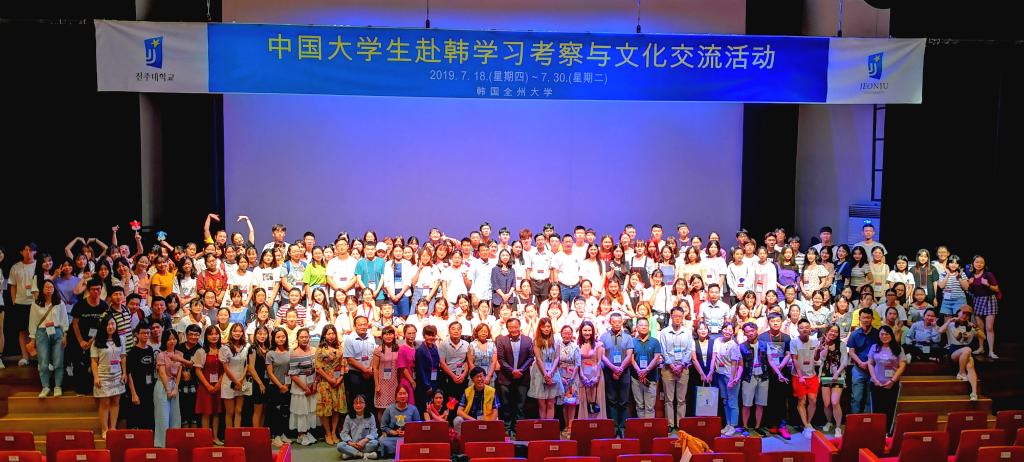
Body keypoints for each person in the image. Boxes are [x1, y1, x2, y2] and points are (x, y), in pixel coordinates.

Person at [29, 279, 69, 397]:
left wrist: (65, 335)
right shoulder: (36, 304)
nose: (49, 289)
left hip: (57, 332)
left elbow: (64, 320)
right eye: (46, 287)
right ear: (42, 289)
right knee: (43, 362)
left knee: (58, 361)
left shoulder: (59, 303)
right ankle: (45, 387)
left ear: (54, 289)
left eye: (51, 287)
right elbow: (32, 322)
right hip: (42, 332)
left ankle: (58, 386)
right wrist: (32, 339)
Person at [496, 318, 534, 437]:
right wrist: (512, 371)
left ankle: (519, 429)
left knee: (520, 405)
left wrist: (520, 370)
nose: (513, 329)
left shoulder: (528, 340)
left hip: (522, 377)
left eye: (515, 327)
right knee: (506, 405)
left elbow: (531, 357)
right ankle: (507, 429)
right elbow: (500, 358)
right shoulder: (501, 340)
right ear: (507, 328)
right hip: (506, 378)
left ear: (520, 326)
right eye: (511, 327)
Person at [91, 314, 126, 439]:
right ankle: (104, 429)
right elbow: (94, 361)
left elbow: (123, 357)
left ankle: (113, 427)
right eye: (108, 324)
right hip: (103, 374)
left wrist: (124, 373)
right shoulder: (97, 341)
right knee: (105, 403)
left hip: (117, 374)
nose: (111, 327)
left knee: (115, 401)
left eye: (113, 324)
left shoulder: (120, 339)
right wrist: (96, 377)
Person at [759, 312, 793, 440]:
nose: (775, 323)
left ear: (781, 322)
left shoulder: (786, 338)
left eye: (778, 321)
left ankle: (782, 425)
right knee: (770, 398)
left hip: (782, 371)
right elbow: (764, 356)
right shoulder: (762, 337)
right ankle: (772, 424)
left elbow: (788, 354)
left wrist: (780, 367)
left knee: (782, 399)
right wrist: (774, 368)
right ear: (768, 322)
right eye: (772, 321)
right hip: (768, 372)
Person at [600, 312, 633, 437]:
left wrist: (620, 369)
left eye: (619, 321)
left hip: (624, 372)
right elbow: (602, 356)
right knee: (611, 401)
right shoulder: (604, 337)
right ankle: (613, 427)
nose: (617, 324)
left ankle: (622, 427)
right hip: (609, 372)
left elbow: (629, 355)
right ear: (610, 322)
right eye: (614, 321)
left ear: (622, 322)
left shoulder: (628, 337)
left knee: (623, 401)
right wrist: (613, 368)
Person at [867, 325, 906, 431]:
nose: (884, 336)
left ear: (891, 335)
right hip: (876, 383)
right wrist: (875, 379)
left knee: (890, 408)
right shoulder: (874, 347)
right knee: (876, 408)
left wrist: (892, 381)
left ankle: (888, 432)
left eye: (887, 334)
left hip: (892, 384)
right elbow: (870, 363)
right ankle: (876, 431)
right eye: (882, 334)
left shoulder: (898, 348)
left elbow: (902, 365)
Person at [316, 324, 347, 445]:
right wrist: (330, 379)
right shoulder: (320, 349)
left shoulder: (340, 348)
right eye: (328, 334)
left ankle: (334, 432)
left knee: (336, 409)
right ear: (324, 335)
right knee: (325, 409)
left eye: (333, 333)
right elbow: (318, 368)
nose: (331, 336)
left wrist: (340, 378)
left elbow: (343, 364)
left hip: (338, 382)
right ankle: (327, 433)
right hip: (325, 382)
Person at [736, 322, 768, 437]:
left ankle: (758, 426)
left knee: (760, 403)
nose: (750, 333)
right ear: (744, 333)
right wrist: (737, 377)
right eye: (747, 331)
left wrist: (779, 373)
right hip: (748, 377)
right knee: (746, 404)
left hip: (763, 377)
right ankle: (745, 426)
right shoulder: (741, 346)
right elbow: (740, 365)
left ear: (756, 331)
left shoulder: (764, 344)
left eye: (752, 330)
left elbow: (770, 361)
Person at [942, 305, 981, 401]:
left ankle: (974, 393)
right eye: (963, 313)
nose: (965, 316)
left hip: (966, 353)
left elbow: (983, 337)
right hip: (954, 352)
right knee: (967, 349)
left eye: (967, 314)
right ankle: (961, 372)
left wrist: (976, 328)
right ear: (958, 313)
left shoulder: (970, 326)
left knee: (970, 365)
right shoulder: (951, 324)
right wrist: (949, 321)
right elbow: (940, 330)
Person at [288, 328, 319, 446]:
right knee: (301, 410)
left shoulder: (314, 350)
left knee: (310, 409)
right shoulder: (294, 353)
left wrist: (315, 384)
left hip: (312, 381)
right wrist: (305, 388)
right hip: (300, 384)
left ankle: (307, 432)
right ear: (297, 338)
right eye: (302, 337)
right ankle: (301, 434)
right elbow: (293, 374)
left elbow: (318, 368)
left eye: (306, 337)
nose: (304, 339)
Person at [790, 319, 819, 439]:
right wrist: (800, 376)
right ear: (798, 330)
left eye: (807, 327)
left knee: (813, 400)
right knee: (802, 401)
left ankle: (808, 423)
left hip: (812, 375)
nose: (805, 329)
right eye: (802, 327)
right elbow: (794, 359)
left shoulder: (815, 340)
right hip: (798, 376)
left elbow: (816, 358)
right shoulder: (794, 342)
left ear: (810, 329)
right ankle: (806, 426)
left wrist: (819, 350)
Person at [529, 317, 563, 419]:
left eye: (548, 326)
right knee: (542, 404)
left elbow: (557, 357)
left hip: (553, 371)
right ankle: (544, 426)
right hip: (540, 372)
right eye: (544, 327)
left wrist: (551, 372)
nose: (546, 329)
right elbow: (538, 359)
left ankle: (550, 426)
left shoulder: (556, 339)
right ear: (540, 328)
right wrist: (545, 374)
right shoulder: (536, 340)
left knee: (551, 402)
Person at [817, 324, 847, 438]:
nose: (833, 333)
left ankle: (838, 427)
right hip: (825, 375)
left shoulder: (842, 344)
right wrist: (826, 345)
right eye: (831, 331)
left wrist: (837, 373)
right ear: (827, 332)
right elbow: (822, 358)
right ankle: (829, 422)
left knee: (835, 402)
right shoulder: (822, 343)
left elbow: (844, 361)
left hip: (838, 376)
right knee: (826, 403)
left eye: (835, 331)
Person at [154, 329, 183, 447]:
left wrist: (175, 388)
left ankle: (174, 444)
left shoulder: (180, 354)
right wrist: (168, 389)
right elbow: (162, 373)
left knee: (175, 417)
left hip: (174, 386)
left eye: (174, 339)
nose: (172, 341)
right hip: (162, 386)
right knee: (162, 417)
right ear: (165, 341)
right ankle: (161, 445)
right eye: (169, 339)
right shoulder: (161, 355)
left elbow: (179, 372)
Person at [967, 255, 1000, 358]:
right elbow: (971, 291)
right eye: (977, 262)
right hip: (977, 300)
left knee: (989, 327)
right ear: (973, 263)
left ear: (984, 264)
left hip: (989, 300)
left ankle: (991, 351)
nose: (979, 264)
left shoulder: (988, 274)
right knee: (979, 327)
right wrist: (969, 284)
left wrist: (988, 285)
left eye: (981, 262)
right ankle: (981, 348)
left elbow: (997, 289)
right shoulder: (971, 275)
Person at [847, 308, 879, 414]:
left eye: (868, 317)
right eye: (863, 317)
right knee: (856, 397)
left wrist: (868, 363)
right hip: (858, 368)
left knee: (870, 398)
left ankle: (868, 420)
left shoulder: (878, 334)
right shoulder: (854, 334)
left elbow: (879, 350)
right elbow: (851, 351)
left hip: (873, 368)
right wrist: (860, 363)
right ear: (859, 318)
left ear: (872, 318)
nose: (866, 320)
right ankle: (855, 420)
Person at [125, 322, 156, 430]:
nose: (146, 335)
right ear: (137, 334)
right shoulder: (132, 352)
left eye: (148, 333)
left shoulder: (150, 349)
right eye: (143, 333)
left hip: (149, 388)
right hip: (137, 389)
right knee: (136, 419)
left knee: (148, 419)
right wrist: (133, 393)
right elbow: (129, 374)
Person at [712, 322, 741, 436]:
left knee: (732, 401)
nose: (727, 332)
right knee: (725, 401)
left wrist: (732, 379)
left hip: (730, 376)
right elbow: (714, 358)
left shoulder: (734, 345)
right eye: (725, 329)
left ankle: (733, 426)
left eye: (730, 330)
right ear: (722, 329)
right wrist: (710, 372)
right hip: (720, 374)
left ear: (733, 332)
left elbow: (735, 364)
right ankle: (728, 424)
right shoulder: (717, 341)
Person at [265, 328, 293, 447]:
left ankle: (282, 434)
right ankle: (275, 436)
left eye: (283, 336)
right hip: (274, 386)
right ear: (273, 338)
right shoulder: (270, 354)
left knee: (284, 412)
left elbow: (292, 369)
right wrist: (280, 386)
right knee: (275, 412)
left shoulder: (290, 352)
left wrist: (286, 385)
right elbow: (270, 373)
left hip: (287, 385)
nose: (281, 339)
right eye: (278, 337)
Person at [454, 366, 501, 435]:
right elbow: (459, 411)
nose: (479, 379)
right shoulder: (467, 391)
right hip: (471, 420)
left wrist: (489, 424)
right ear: (472, 380)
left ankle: (489, 437)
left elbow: (495, 412)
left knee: (496, 419)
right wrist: (474, 420)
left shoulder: (492, 391)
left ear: (485, 377)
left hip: (487, 420)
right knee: (457, 420)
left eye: (481, 376)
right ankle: (464, 440)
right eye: (477, 377)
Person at [344, 315, 377, 413]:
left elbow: (374, 354)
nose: (363, 327)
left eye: (364, 324)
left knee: (369, 400)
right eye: (360, 325)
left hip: (370, 374)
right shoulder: (349, 339)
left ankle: (369, 419)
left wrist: (370, 369)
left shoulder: (371, 337)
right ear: (355, 326)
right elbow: (350, 359)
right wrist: (365, 370)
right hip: (355, 375)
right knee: (355, 400)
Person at [378, 387, 421, 458]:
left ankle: (399, 451)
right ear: (396, 396)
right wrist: (393, 432)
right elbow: (383, 426)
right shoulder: (389, 409)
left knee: (418, 440)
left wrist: (407, 433)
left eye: (404, 393)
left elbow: (418, 427)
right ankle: (405, 450)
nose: (402, 396)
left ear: (408, 395)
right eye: (400, 394)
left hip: (407, 438)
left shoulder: (413, 409)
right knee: (382, 441)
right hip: (392, 438)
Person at [336, 395, 379, 460]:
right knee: (340, 445)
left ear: (365, 404)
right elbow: (344, 433)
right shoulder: (348, 417)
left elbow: (374, 432)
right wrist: (351, 443)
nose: (358, 405)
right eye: (356, 403)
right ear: (353, 405)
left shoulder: (371, 416)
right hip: (353, 444)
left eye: (361, 402)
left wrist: (364, 441)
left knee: (375, 443)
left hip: (365, 444)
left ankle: (351, 453)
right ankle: (364, 454)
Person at [556, 324, 581, 438]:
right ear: (561, 334)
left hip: (572, 377)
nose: (567, 335)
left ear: (572, 335)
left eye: (569, 333)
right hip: (560, 376)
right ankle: (565, 426)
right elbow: (555, 363)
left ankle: (571, 427)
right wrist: (560, 377)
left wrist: (571, 378)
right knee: (563, 403)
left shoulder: (576, 347)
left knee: (571, 403)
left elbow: (577, 364)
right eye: (565, 333)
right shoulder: (557, 346)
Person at [413, 325, 441, 414]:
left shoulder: (434, 347)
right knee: (424, 408)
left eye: (433, 335)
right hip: (424, 385)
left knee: (432, 408)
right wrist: (427, 386)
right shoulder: (421, 350)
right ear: (424, 335)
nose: (431, 337)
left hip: (433, 381)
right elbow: (420, 370)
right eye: (428, 335)